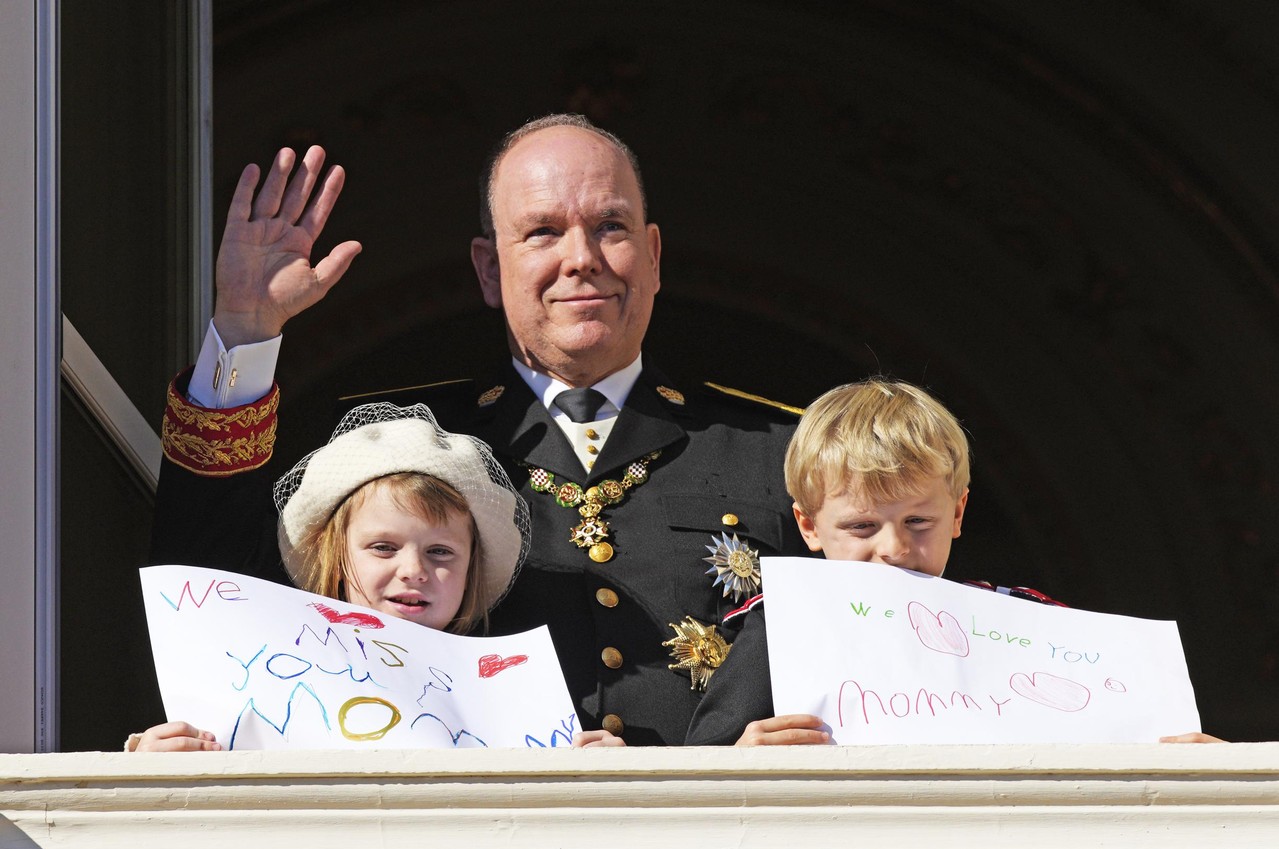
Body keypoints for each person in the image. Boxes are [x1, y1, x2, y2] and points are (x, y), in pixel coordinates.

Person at [150, 115, 806, 747]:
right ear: (489, 269)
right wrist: (244, 330)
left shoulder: (782, 450)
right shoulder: (394, 444)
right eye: (543, 232)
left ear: (653, 254)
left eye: (610, 226)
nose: (581, 258)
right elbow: (216, 590)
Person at [684, 379, 1221, 745]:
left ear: (958, 512)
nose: (893, 549)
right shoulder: (779, 626)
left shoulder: (1027, 620)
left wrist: (1190, 760)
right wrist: (736, 759)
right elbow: (694, 783)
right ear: (808, 527)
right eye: (861, 526)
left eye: (919, 522)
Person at [133, 402, 623, 751]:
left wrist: (604, 782)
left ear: (472, 569)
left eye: (440, 551)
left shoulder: (524, 702)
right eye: (383, 547)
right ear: (334, 558)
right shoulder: (253, 676)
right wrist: (154, 769)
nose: (413, 571)